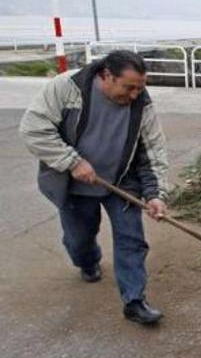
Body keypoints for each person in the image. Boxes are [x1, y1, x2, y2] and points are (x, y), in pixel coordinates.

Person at [19, 50, 169, 325]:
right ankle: (87, 262)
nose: (135, 94)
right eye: (129, 87)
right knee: (79, 239)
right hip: (74, 183)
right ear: (107, 76)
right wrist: (72, 162)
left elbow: (152, 149)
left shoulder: (141, 103)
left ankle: (134, 301)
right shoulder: (68, 88)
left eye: (140, 88)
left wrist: (155, 194)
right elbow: (33, 129)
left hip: (122, 181)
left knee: (132, 240)